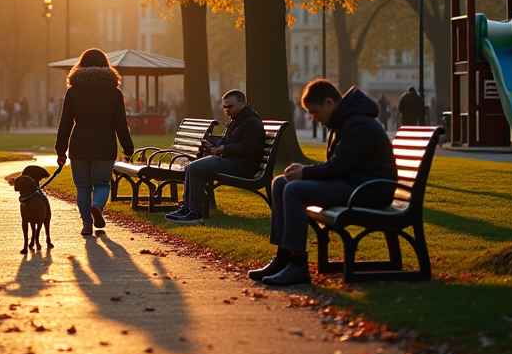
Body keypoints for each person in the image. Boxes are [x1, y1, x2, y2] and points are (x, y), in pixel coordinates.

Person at [250, 79, 397, 286]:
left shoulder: (358, 124)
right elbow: (340, 166)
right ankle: (283, 258)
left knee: (294, 190)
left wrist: (305, 172)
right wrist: (303, 170)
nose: (313, 117)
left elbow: (338, 167)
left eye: (314, 111)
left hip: (369, 191)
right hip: (354, 184)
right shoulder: (345, 121)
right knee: (281, 183)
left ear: (329, 103)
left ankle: (298, 264)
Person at [55, 48, 135, 236]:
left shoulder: (73, 92)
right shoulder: (114, 93)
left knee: (82, 187)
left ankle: (86, 224)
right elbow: (121, 124)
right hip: (105, 143)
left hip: (80, 143)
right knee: (101, 184)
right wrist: (128, 148)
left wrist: (60, 150)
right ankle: (97, 206)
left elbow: (65, 123)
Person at [166, 90, 264, 224]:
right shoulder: (236, 121)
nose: (227, 110)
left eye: (230, 106)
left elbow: (249, 147)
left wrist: (225, 149)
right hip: (231, 160)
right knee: (191, 167)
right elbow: (226, 141)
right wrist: (212, 145)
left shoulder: (251, 122)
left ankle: (194, 213)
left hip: (243, 165)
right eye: (224, 107)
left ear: (241, 104)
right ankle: (186, 208)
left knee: (195, 169)